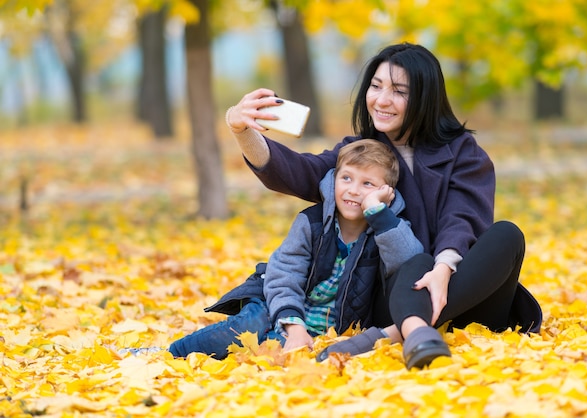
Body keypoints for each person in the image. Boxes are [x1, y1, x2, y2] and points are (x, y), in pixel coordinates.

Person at [223, 42, 542, 369]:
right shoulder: (363, 153)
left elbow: (462, 221)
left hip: (466, 298)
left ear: (425, 98)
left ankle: (393, 334)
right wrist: (242, 130)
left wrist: (443, 271)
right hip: (394, 296)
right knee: (416, 262)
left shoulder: (464, 153)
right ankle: (411, 327)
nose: (382, 100)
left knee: (507, 235)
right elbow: (301, 172)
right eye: (376, 86)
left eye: (399, 91)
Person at [168, 140, 425, 359]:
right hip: (278, 306)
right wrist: (293, 325)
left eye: (367, 184)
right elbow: (284, 275)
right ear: (334, 179)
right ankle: (169, 354)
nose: (353, 190)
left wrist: (378, 213)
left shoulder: (388, 229)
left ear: (386, 193)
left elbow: (408, 261)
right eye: (346, 178)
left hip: (323, 330)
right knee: (248, 325)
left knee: (271, 354)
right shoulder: (311, 223)